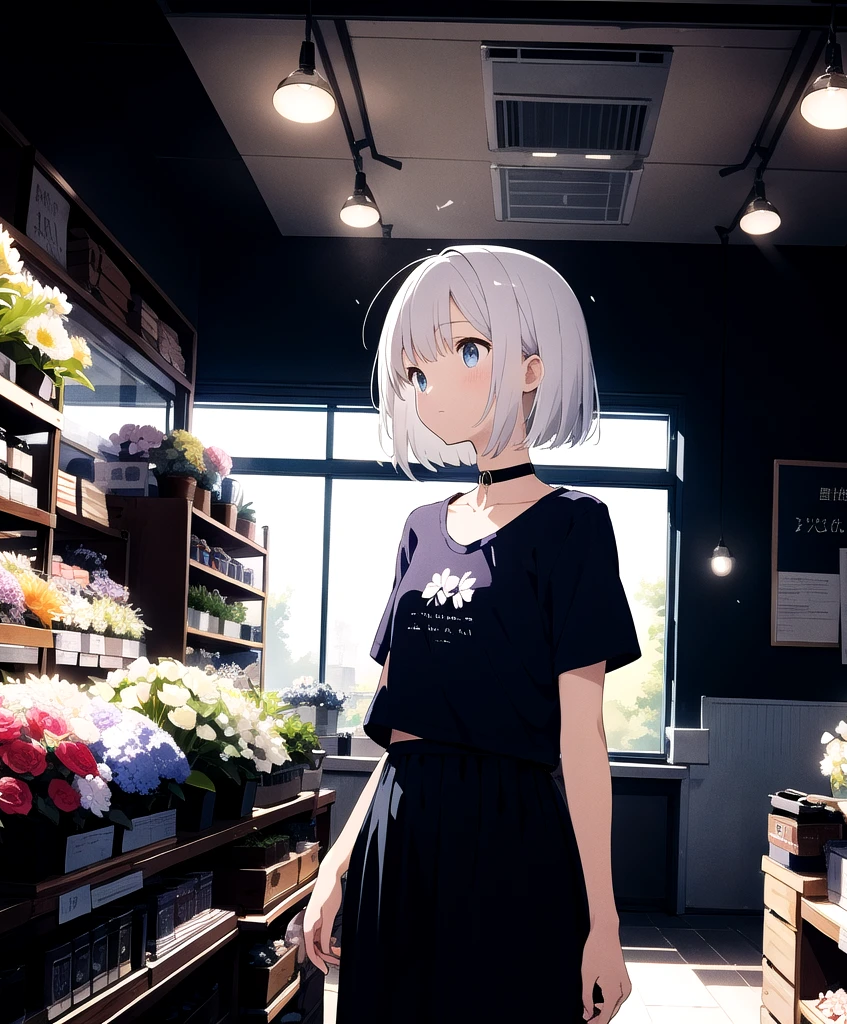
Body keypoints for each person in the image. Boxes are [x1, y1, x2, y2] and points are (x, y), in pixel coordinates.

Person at [302, 245, 642, 1022]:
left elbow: (583, 736)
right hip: (400, 834)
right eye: (418, 372)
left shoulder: (575, 526)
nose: (436, 387)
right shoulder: (421, 527)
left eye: (467, 350)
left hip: (514, 838)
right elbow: (397, 731)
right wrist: (338, 866)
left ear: (532, 368)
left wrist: (605, 922)